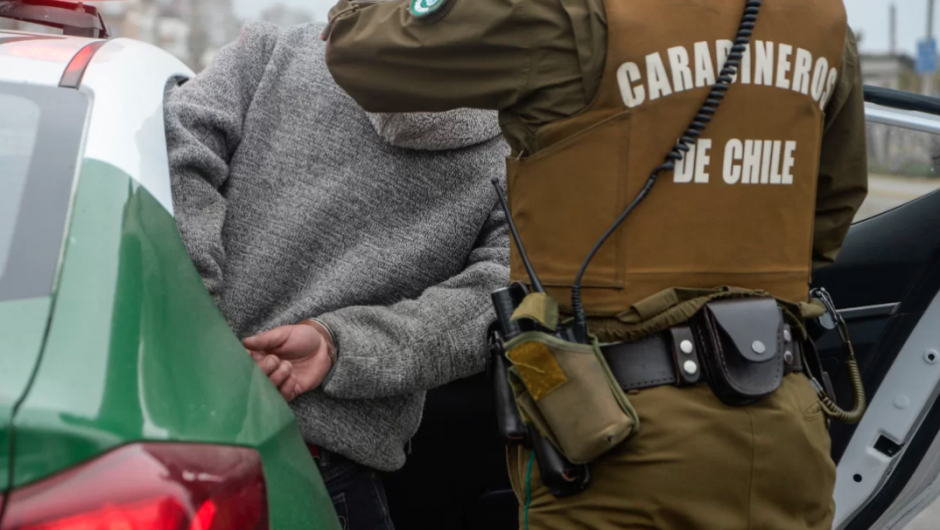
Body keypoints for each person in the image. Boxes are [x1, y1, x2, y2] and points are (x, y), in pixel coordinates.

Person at [320, 0, 869, 528]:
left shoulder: (568, 11)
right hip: (786, 426)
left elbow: (360, 48)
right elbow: (827, 216)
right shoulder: (821, 17)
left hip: (612, 435)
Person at [165, 19, 511, 530]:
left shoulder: (274, 49)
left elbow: (173, 151)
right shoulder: (517, 149)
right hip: (324, 471)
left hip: (164, 428)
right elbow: (501, 297)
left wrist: (201, 323)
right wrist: (338, 346)